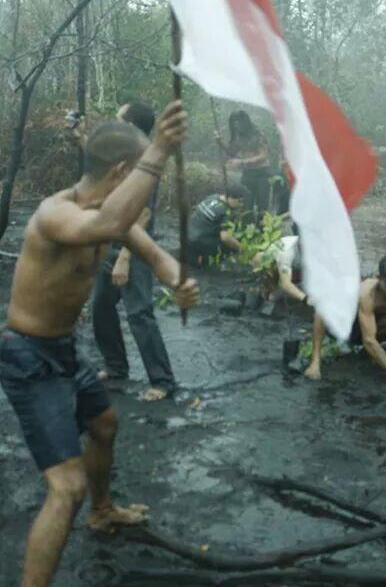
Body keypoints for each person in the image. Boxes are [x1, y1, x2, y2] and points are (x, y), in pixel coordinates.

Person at [0, 102, 199, 587]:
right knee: (65, 488)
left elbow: (153, 255)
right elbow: (109, 225)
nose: (147, 189)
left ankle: (103, 510)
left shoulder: (106, 213)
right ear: (123, 171)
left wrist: (178, 279)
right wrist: (159, 151)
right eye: (142, 177)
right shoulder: (56, 214)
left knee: (104, 424)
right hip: (28, 356)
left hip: (64, 350)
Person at [92, 100, 175, 401]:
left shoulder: (146, 160)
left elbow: (144, 214)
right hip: (111, 242)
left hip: (135, 248)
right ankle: (116, 368)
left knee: (139, 312)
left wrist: (125, 258)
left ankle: (163, 382)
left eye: (118, 120)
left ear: (131, 126)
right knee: (101, 306)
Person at [305, 254, 386, 392]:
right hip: (343, 328)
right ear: (378, 278)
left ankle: (371, 353)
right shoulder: (367, 293)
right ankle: (315, 361)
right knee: (324, 306)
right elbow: (369, 340)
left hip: (369, 328)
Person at [216, 110, 271, 217]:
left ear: (245, 122)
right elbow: (232, 152)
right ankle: (247, 230)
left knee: (262, 207)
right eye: (233, 122)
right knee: (246, 206)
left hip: (262, 174)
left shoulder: (258, 133)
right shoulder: (237, 136)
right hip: (247, 173)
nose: (236, 125)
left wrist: (241, 162)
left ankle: (263, 230)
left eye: (238, 121)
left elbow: (263, 156)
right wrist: (220, 142)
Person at [187, 185, 249, 267]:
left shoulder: (212, 197)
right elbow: (225, 238)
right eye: (240, 201)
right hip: (198, 242)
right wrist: (243, 249)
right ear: (230, 197)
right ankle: (207, 262)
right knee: (231, 245)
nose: (241, 205)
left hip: (186, 235)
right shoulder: (227, 212)